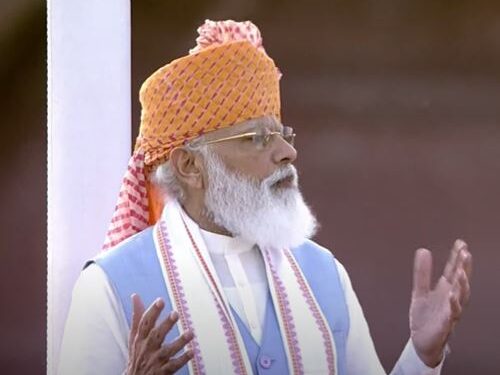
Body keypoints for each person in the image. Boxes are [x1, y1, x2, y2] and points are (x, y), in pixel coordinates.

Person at [58, 20, 472, 375]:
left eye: (282, 134)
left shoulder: (323, 274)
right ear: (189, 166)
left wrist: (422, 355)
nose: (287, 153)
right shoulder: (111, 287)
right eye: (257, 138)